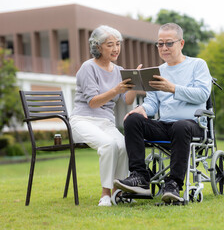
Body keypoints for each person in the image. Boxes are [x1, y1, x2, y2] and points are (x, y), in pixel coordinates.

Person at [113, 23, 212, 203]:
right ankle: (140, 177)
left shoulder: (198, 65)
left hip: (192, 124)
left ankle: (173, 184)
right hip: (165, 124)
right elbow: (152, 103)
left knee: (181, 126)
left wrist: (172, 88)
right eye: (160, 44)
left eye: (169, 43)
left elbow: (203, 94)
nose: (164, 48)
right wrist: (141, 109)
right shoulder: (157, 72)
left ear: (181, 44)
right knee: (132, 120)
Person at [70, 25, 140, 206]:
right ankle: (105, 194)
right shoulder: (88, 68)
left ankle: (119, 192)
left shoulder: (119, 70)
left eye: (118, 44)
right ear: (98, 47)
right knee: (109, 145)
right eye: (110, 44)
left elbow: (128, 100)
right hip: (83, 121)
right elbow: (93, 102)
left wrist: (136, 83)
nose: (116, 48)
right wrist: (116, 89)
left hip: (106, 123)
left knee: (124, 145)